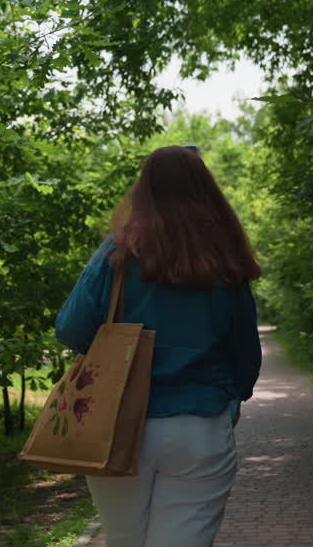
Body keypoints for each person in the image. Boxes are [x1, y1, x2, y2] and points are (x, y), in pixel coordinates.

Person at [55, 145, 263, 547]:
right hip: (198, 424)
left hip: (113, 424)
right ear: (206, 192)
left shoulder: (116, 255)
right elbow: (245, 355)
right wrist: (233, 399)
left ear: (143, 190)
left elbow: (71, 330)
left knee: (124, 540)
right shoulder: (225, 260)